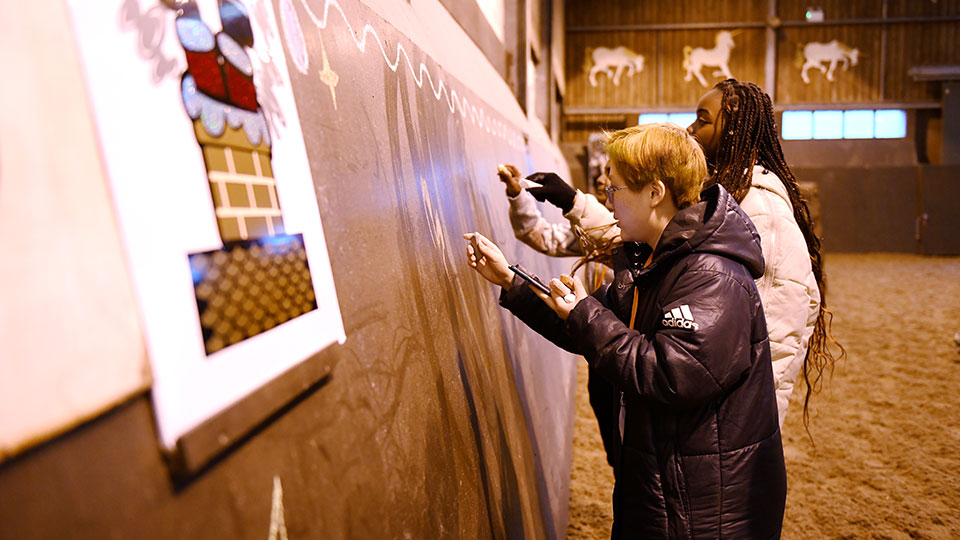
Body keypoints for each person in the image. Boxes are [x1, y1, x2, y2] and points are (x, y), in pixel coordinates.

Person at [465, 123, 786, 539]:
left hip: (703, 510)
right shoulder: (654, 261)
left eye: (614, 190)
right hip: (666, 483)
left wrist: (584, 314)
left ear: (654, 193)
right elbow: (582, 324)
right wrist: (511, 280)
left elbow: (671, 374)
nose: (607, 200)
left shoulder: (711, 276)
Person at [686, 78, 844, 429]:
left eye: (703, 119)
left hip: (732, 418)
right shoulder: (722, 196)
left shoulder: (762, 211)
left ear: (735, 128)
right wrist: (576, 206)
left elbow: (775, 329)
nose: (691, 128)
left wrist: (745, 423)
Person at [496, 162, 620, 467]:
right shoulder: (598, 234)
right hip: (598, 351)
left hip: (621, 353)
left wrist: (573, 201)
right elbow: (542, 236)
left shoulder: (638, 241)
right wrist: (518, 195)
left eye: (613, 176)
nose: (602, 180)